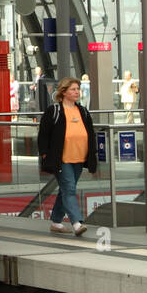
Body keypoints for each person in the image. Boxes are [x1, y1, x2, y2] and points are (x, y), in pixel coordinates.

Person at [37, 77, 97, 237]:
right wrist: (45, 154)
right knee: (69, 189)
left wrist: (93, 155)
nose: (77, 92)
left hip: (79, 157)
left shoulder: (83, 111)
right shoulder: (54, 111)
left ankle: (56, 221)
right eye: (73, 89)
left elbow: (90, 134)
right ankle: (77, 223)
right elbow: (43, 135)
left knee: (65, 190)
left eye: (78, 89)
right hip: (61, 159)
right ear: (63, 92)